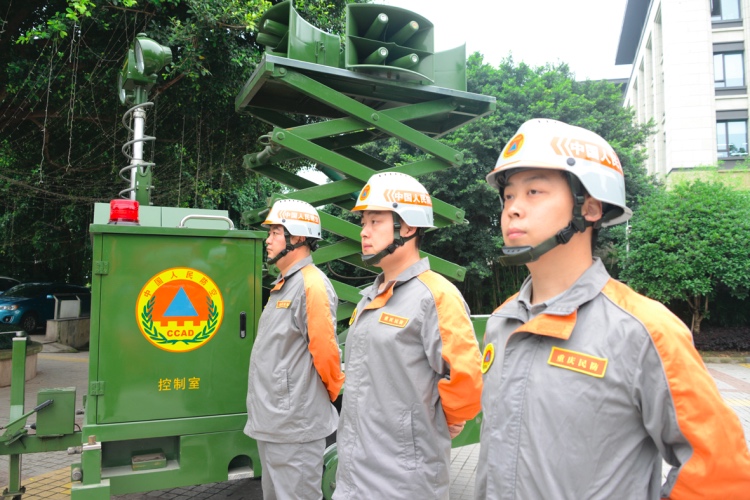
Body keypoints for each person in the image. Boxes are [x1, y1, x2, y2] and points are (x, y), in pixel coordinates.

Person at [475, 118, 750, 499]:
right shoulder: (503, 322)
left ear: (589, 207)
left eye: (534, 191)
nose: (513, 210)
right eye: (508, 196)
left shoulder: (645, 331)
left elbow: (720, 471)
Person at [333, 172, 483, 499]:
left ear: (408, 227)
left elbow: (466, 378)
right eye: (363, 222)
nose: (364, 231)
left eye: (375, 221)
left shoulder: (436, 297)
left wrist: (444, 424)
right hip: (355, 472)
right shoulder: (369, 298)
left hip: (404, 480)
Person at [244, 198, 345, 500]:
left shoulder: (311, 285)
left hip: (295, 425)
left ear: (297, 237)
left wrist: (318, 399)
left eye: (275, 232)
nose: (268, 240)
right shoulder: (284, 284)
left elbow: (327, 354)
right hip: (275, 422)